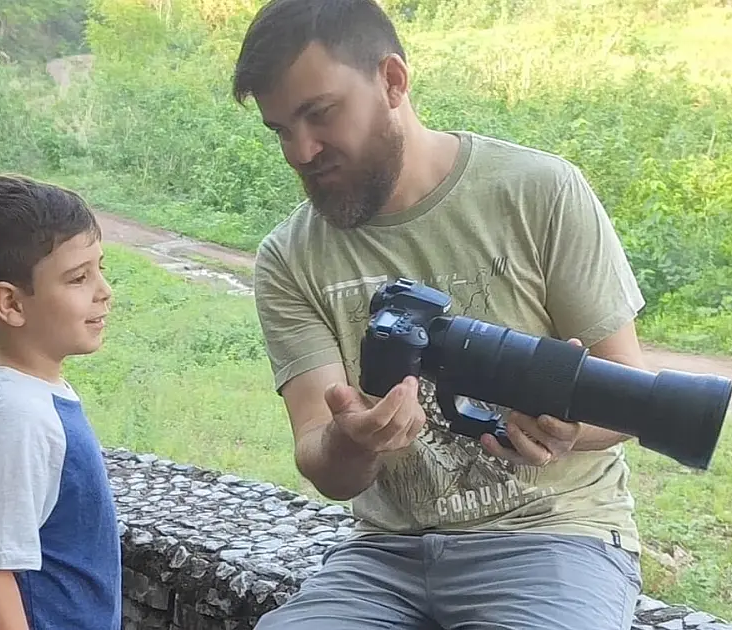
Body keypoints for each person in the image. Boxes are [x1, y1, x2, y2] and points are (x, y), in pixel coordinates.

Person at [234, 0, 649, 628]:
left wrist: (569, 425)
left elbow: (632, 392)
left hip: (555, 537)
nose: (301, 150)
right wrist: (353, 440)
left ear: (392, 81)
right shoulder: (289, 258)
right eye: (280, 130)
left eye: (319, 115)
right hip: (383, 558)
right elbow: (321, 459)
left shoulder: (539, 191)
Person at [0, 174, 120, 630]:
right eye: (79, 277)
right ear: (11, 304)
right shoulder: (16, 414)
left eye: (101, 268)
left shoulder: (36, 396)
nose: (104, 290)